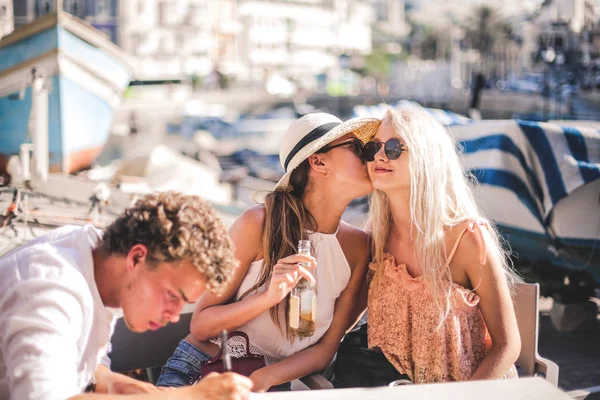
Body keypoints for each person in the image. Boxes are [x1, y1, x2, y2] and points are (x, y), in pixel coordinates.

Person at [157, 113, 380, 391]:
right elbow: (201, 325)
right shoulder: (259, 224)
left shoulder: (359, 247)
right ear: (319, 161)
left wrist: (264, 379)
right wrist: (268, 297)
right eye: (358, 147)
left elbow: (325, 349)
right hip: (202, 371)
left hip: (267, 385)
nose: (371, 155)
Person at [0, 191, 253, 399]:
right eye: (173, 296)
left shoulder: (97, 263)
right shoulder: (52, 290)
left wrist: (110, 382)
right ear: (137, 258)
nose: (176, 316)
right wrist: (187, 396)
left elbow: (75, 352)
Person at [335, 107, 520, 386]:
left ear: (426, 158)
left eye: (395, 147)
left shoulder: (466, 238)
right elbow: (348, 316)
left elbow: (507, 346)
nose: (380, 156)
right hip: (398, 384)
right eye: (374, 147)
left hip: (472, 388)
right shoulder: (378, 234)